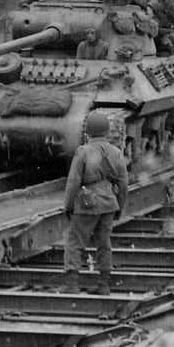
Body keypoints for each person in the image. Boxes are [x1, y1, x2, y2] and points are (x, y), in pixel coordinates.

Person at [62, 113, 128, 294]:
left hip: (86, 203)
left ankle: (72, 283)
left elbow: (73, 182)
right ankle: (103, 284)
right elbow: (123, 184)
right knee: (104, 243)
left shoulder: (83, 151)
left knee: (75, 241)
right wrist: (119, 207)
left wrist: (68, 205)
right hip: (109, 203)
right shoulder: (116, 152)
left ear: (88, 131)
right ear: (107, 131)